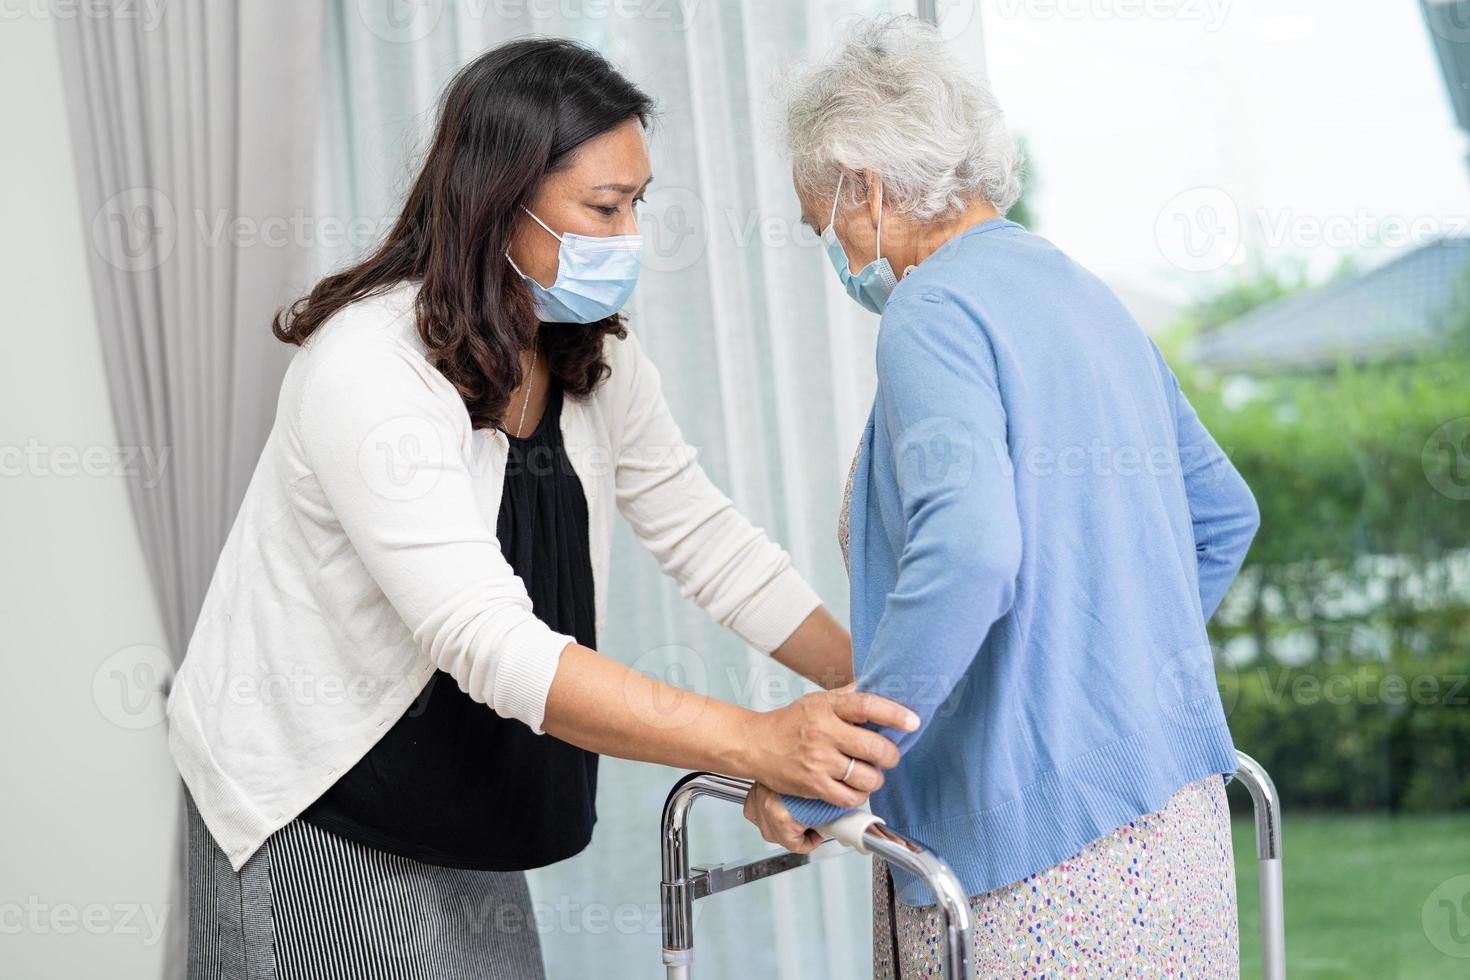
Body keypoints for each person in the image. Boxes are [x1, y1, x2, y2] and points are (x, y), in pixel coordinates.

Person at [168, 37, 916, 979]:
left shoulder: (585, 354)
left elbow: (706, 540)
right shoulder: (372, 368)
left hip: (467, 789)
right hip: (319, 799)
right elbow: (489, 641)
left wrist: (881, 692)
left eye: (638, 204)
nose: (629, 238)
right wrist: (759, 740)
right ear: (498, 198)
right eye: (604, 207)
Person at [742, 17, 1260, 977]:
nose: (833, 243)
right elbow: (1224, 514)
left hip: (1036, 857)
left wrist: (828, 783)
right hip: (1177, 825)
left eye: (826, 218)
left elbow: (968, 554)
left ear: (869, 187)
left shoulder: (932, 309)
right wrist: (1107, 678)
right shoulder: (1081, 292)